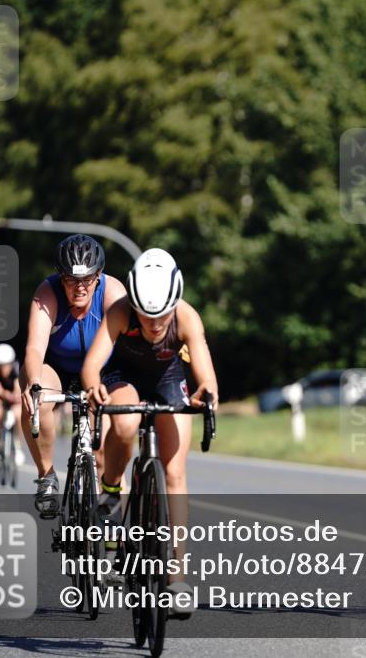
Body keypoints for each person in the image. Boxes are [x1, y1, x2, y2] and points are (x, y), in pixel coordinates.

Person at [82, 248, 219, 619]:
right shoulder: (120, 312)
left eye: (162, 315)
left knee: (174, 474)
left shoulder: (187, 316)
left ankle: (176, 578)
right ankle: (111, 486)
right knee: (125, 423)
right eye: (146, 314)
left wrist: (207, 392)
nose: (155, 323)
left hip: (169, 379)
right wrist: (94, 385)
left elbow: (204, 370)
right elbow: (93, 365)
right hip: (124, 378)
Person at [19, 234, 126, 518]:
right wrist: (34, 383)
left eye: (87, 279)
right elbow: (34, 347)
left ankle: (109, 518)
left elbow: (129, 346)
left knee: (101, 454)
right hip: (57, 367)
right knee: (38, 402)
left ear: (99, 275)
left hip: (99, 369)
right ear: (60, 277)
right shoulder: (47, 293)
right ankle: (46, 476)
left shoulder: (113, 292)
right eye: (71, 280)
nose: (80, 287)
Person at [0, 343, 22, 465]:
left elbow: (17, 385)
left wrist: (16, 395)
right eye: (0, 366)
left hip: (13, 394)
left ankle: (18, 447)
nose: (3, 369)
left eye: (6, 365)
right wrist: (10, 396)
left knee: (18, 414)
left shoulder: (17, 367)